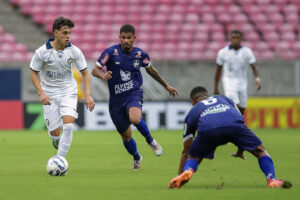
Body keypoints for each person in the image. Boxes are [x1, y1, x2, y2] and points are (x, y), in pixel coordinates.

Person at [168, 86, 292, 189]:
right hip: (233, 126)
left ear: (193, 101)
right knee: (260, 151)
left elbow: (186, 150)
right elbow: (241, 122)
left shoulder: (193, 110)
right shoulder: (225, 99)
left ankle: (188, 172)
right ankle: (271, 180)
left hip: (208, 129)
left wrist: (180, 174)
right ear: (208, 95)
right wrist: (241, 149)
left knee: (194, 156)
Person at [92, 24, 178, 170]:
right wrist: (103, 74)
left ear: (134, 38)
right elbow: (95, 70)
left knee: (135, 118)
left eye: (129, 38)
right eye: (123, 37)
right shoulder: (111, 52)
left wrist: (165, 85)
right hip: (116, 100)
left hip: (133, 93)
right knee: (126, 137)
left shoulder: (140, 54)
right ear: (119, 38)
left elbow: (151, 70)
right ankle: (137, 157)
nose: (126, 40)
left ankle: (151, 141)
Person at [30, 16, 95, 157]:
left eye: (69, 33)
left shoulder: (74, 51)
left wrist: (88, 95)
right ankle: (55, 139)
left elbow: (85, 73)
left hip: (68, 92)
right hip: (49, 94)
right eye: (65, 33)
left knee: (69, 125)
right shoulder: (41, 52)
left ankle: (60, 160)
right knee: (55, 132)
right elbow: (33, 72)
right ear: (55, 33)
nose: (68, 36)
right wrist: (41, 93)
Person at [214, 30, 261, 115]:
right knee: (234, 103)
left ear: (241, 39)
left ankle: (239, 122)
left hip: (242, 81)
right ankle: (235, 124)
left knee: (242, 106)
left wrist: (257, 79)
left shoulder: (247, 52)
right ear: (230, 39)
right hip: (229, 81)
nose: (235, 40)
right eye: (233, 38)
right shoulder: (223, 52)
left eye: (237, 38)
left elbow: (253, 67)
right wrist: (216, 87)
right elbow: (218, 70)